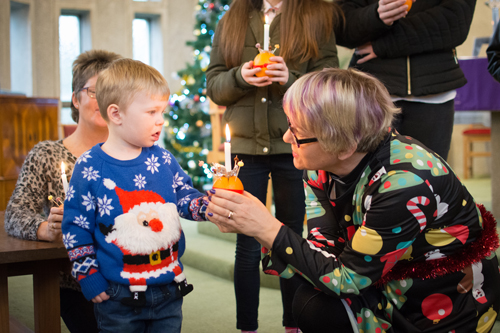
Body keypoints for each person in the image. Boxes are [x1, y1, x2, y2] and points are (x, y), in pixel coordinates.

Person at [206, 68, 500, 332]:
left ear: (344, 145)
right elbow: (322, 250)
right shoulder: (321, 166)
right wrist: (257, 227)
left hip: (440, 303)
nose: (285, 138)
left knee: (316, 306)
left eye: (296, 133)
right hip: (380, 281)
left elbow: (347, 280)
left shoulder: (404, 183)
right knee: (311, 299)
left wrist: (266, 228)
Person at [206, 1, 341, 332]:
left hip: (294, 144)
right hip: (245, 146)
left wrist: (292, 79)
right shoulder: (232, 18)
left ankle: (292, 325)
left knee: (291, 236)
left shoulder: (314, 15)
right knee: (248, 242)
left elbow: (329, 80)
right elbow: (214, 85)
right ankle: (247, 327)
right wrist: (240, 76)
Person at [61, 58, 208, 333]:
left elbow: (185, 197)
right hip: (117, 296)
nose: (161, 120)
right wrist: (88, 275)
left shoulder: (163, 160)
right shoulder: (89, 166)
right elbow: (75, 227)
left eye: (161, 111)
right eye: (151, 112)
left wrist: (208, 206)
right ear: (116, 115)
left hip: (169, 291)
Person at [4, 49, 121, 333]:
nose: (104, 99)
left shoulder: (135, 156)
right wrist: (45, 227)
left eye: (112, 91)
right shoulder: (47, 154)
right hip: (74, 282)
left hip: (129, 277)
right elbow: (15, 213)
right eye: (95, 91)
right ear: (75, 99)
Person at [336, 0, 476, 160]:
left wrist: (384, 45)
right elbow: (341, 25)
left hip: (433, 94)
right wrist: (376, 15)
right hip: (373, 96)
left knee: (429, 177)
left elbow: (455, 23)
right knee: (371, 178)